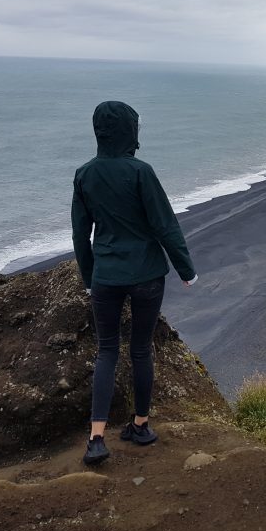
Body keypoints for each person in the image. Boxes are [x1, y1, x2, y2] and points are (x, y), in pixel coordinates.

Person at [72, 101, 197, 466]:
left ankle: (96, 438)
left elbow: (81, 234)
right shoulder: (141, 172)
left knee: (106, 351)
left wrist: (89, 278)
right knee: (141, 349)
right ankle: (141, 425)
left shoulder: (84, 174)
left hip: (106, 277)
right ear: (131, 131)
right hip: (146, 276)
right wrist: (185, 269)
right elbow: (164, 224)